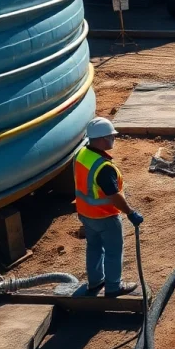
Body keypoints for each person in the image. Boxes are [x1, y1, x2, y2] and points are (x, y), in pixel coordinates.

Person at [74, 117, 143, 297]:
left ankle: (95, 281)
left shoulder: (81, 155)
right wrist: (130, 212)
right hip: (105, 217)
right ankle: (113, 286)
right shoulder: (103, 167)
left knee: (94, 247)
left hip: (86, 214)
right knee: (113, 251)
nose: (114, 139)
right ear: (102, 139)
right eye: (112, 136)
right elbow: (114, 196)